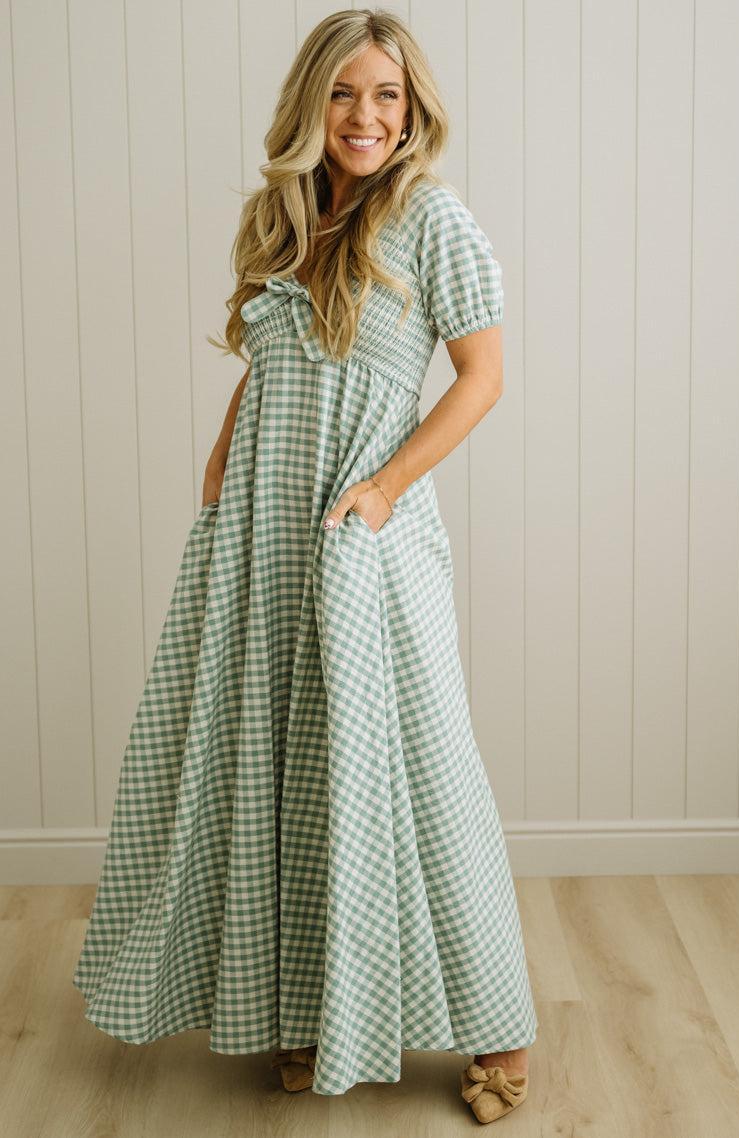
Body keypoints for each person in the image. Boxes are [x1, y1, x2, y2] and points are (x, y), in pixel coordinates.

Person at [72, 7, 538, 1124]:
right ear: (309, 106)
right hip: (262, 528)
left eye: (385, 95)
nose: (364, 116)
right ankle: (305, 1007)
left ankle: (504, 1038)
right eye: (343, 94)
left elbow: (482, 379)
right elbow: (271, 358)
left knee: (419, 766)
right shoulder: (281, 221)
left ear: (413, 107)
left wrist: (381, 492)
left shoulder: (433, 221)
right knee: (275, 759)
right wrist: (222, 460)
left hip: (364, 530)